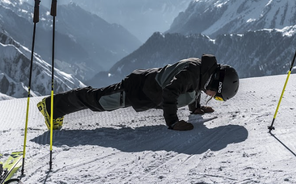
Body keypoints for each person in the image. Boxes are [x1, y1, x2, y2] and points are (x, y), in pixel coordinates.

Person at [37, 54, 239, 131]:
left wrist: (195, 109)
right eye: (217, 95)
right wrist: (173, 122)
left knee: (99, 100)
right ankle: (51, 107)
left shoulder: (202, 72)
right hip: (136, 89)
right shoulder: (193, 73)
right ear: (216, 83)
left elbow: (192, 90)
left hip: (144, 86)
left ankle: (55, 106)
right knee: (98, 101)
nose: (213, 98)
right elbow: (171, 91)